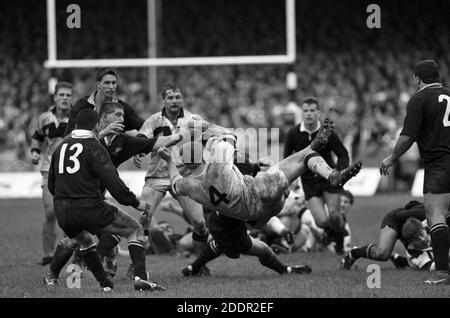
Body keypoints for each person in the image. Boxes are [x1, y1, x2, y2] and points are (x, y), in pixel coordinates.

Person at [157, 117, 361, 229]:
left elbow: (174, 182)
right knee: (300, 159)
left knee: (300, 160)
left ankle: (324, 166)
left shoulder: (189, 186)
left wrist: (168, 160)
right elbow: (230, 135)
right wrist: (207, 127)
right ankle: (326, 167)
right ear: (203, 156)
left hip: (256, 219)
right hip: (261, 194)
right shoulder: (216, 163)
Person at [44, 108, 165, 292]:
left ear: (76, 126)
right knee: (135, 229)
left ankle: (94, 283)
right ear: (98, 126)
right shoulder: (94, 147)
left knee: (83, 239)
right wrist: (136, 202)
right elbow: (114, 183)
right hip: (89, 206)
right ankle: (140, 278)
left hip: (62, 209)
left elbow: (52, 185)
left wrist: (66, 200)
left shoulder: (60, 147)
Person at [379, 59, 450, 285]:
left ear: (417, 78)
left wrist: (391, 158)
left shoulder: (419, 99)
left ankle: (442, 273)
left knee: (436, 215)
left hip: (438, 164)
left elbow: (407, 136)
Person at [136, 83, 223, 260]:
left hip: (184, 177)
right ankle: (136, 267)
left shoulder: (193, 120)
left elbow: (214, 131)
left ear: (182, 99)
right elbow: (141, 139)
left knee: (199, 223)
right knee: (143, 219)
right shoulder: (153, 120)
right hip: (157, 177)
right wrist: (138, 151)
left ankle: (199, 266)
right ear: (164, 101)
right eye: (170, 98)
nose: (174, 101)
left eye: (177, 97)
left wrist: (221, 139)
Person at [284, 97, 350, 248]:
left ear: (318, 113)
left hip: (328, 179)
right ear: (302, 112)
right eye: (306, 110)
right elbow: (287, 160)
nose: (309, 114)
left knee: (334, 216)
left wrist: (338, 171)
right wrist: (290, 182)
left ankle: (339, 245)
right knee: (321, 221)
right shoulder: (293, 134)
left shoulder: (327, 133)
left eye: (312, 110)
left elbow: (343, 154)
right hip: (309, 182)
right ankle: (337, 235)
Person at [30, 82, 72, 265]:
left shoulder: (77, 118)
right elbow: (37, 137)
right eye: (61, 95)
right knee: (50, 212)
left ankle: (68, 253)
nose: (65, 98)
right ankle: (48, 255)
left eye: (68, 95)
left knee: (70, 215)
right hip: (49, 170)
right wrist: (35, 152)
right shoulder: (45, 118)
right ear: (55, 97)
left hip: (71, 172)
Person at [341, 200, 450, 271]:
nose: (423, 239)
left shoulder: (431, 222)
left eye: (422, 234)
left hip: (414, 227)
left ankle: (399, 260)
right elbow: (402, 213)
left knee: (427, 253)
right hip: (395, 220)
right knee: (382, 253)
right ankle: (353, 253)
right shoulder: (427, 216)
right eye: (418, 238)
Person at [64, 68, 144, 137]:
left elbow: (146, 126)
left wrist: (141, 145)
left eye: (114, 83)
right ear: (98, 84)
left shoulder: (122, 107)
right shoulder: (82, 105)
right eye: (107, 83)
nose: (111, 87)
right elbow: (68, 136)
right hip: (86, 151)